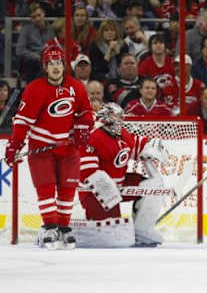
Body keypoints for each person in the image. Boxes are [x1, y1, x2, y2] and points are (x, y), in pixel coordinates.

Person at [4, 47, 94, 250]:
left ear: (64, 65)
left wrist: (83, 126)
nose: (55, 67)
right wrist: (14, 145)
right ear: (45, 67)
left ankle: (63, 227)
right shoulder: (35, 88)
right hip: (41, 147)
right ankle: (50, 226)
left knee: (67, 188)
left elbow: (86, 112)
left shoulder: (76, 87)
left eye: (58, 62)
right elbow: (22, 121)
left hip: (68, 148)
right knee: (46, 187)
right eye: (51, 63)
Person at [77, 102, 169, 247]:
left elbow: (137, 145)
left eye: (121, 116)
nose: (120, 120)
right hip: (95, 194)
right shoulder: (93, 137)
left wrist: (151, 146)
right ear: (106, 117)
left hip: (119, 186)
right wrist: (109, 191)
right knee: (112, 237)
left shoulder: (123, 135)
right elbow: (88, 174)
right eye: (116, 116)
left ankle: (142, 230)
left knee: (151, 185)